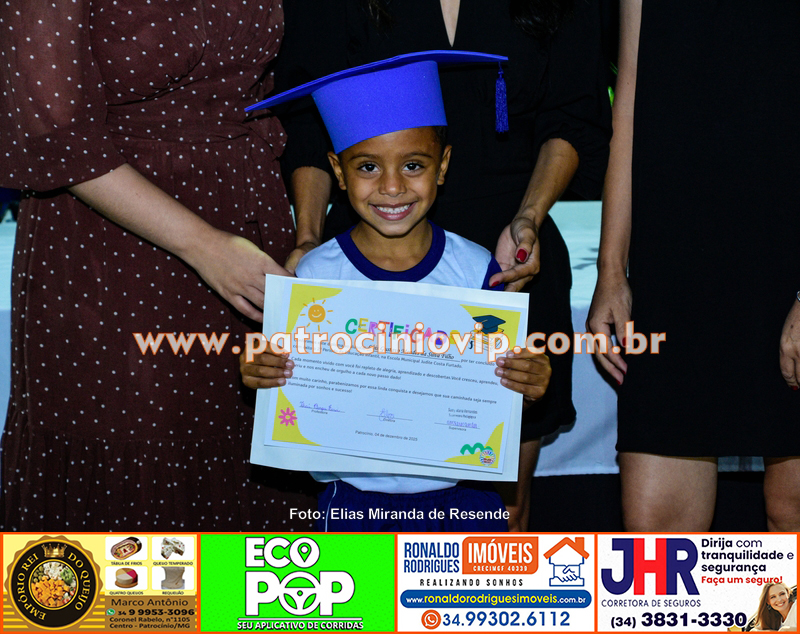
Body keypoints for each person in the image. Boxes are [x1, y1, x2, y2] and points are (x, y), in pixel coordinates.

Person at [273, 0, 611, 531]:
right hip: (365, 258)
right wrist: (309, 241)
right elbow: (308, 122)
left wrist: (528, 216)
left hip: (508, 256)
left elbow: (574, 112)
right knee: (360, 497)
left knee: (501, 510)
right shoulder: (330, 266)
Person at [0, 0, 318, 530]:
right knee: (136, 484)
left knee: (257, 444)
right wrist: (205, 246)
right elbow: (52, 130)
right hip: (111, 249)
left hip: (249, 224)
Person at [241, 52, 552, 531]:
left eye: (412, 165)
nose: (391, 187)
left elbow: (499, 392)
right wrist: (263, 372)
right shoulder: (314, 278)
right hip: (351, 506)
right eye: (367, 166)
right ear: (338, 172)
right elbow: (285, 380)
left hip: (465, 503)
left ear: (442, 166)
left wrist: (527, 382)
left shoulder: (478, 273)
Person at [587, 0, 800, 531]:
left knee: (791, 512)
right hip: (674, 263)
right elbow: (628, 105)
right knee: (657, 534)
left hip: (787, 254)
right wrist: (611, 269)